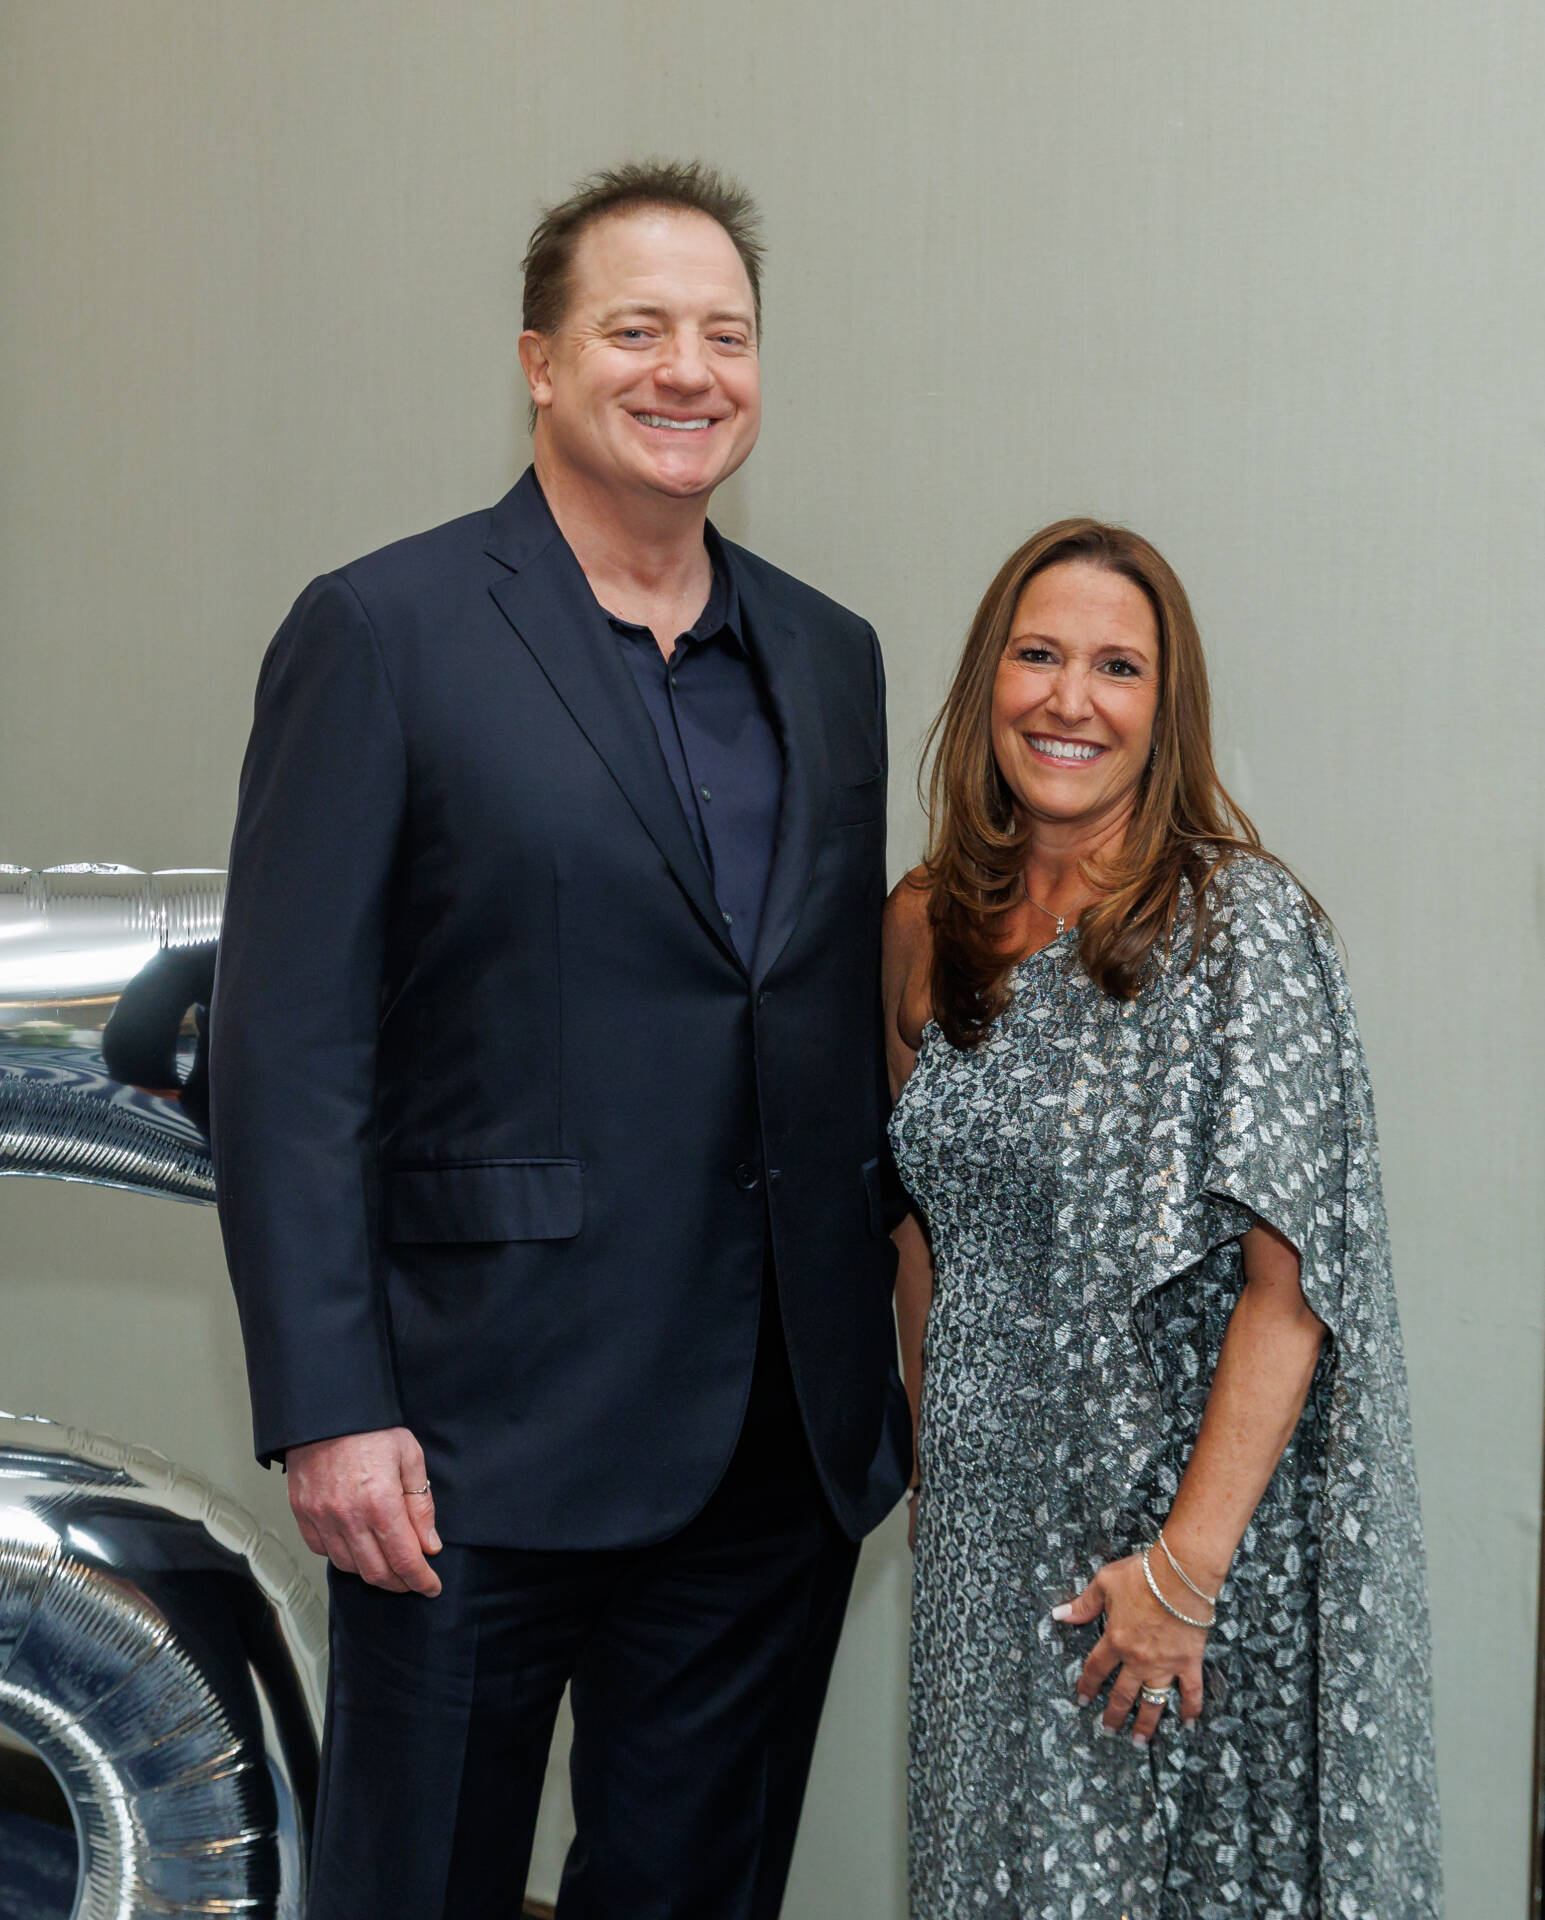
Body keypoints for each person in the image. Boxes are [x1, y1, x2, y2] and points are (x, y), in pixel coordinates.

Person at [209, 159, 909, 1919]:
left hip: (768, 1450)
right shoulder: (382, 632)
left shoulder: (828, 657)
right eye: (636, 330)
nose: (688, 371)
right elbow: (287, 1052)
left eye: (726, 335)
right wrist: (331, 1409)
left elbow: (811, 1019)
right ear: (539, 361)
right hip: (469, 1439)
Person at [883, 520, 1441, 1917]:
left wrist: (1182, 1575)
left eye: (1116, 667)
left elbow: (1292, 1284)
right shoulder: (923, 920)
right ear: (987, 679)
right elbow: (915, 1220)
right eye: (1037, 655)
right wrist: (934, 1465)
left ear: (1164, 705)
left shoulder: (1239, 926)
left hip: (1166, 1551)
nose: (1069, 699)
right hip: (981, 1544)